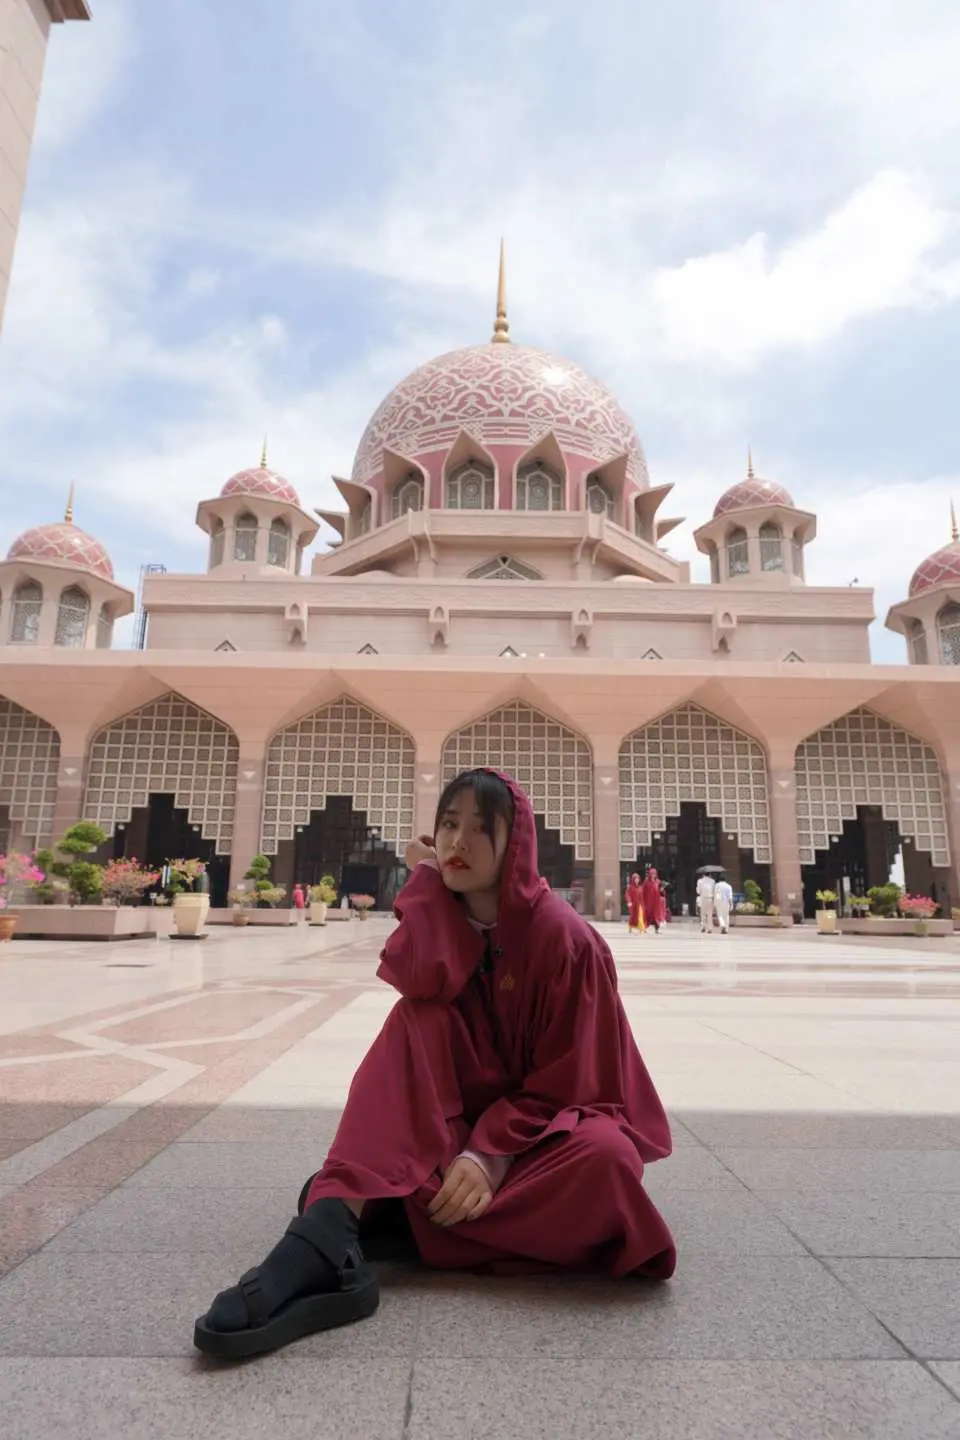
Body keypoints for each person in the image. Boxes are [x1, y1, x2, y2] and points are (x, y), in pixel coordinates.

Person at [194, 768, 676, 1360]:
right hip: (451, 1129)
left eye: (480, 828)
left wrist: (490, 1155)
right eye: (448, 825)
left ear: (516, 844)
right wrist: (426, 881)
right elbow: (417, 977)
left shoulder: (564, 939)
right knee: (414, 1021)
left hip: (538, 1140)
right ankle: (326, 1234)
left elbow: (574, 1084)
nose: (457, 842)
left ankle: (394, 1215)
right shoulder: (444, 909)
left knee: (607, 1162)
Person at [640, 867, 666, 934]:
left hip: (656, 902)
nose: (653, 875)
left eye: (654, 874)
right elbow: (643, 890)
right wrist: (642, 900)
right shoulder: (646, 881)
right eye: (652, 874)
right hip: (648, 902)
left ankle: (657, 930)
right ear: (650, 874)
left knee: (656, 916)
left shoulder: (658, 881)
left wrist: (662, 890)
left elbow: (662, 893)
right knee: (647, 915)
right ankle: (644, 928)